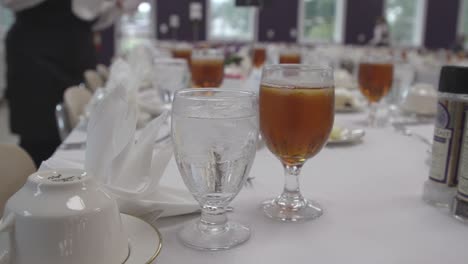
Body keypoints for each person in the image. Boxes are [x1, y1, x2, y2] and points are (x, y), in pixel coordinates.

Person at [1, 0, 139, 166]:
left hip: (78, 53)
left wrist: (116, 5)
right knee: (39, 140)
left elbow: (93, 18)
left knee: (83, 135)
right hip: (35, 56)